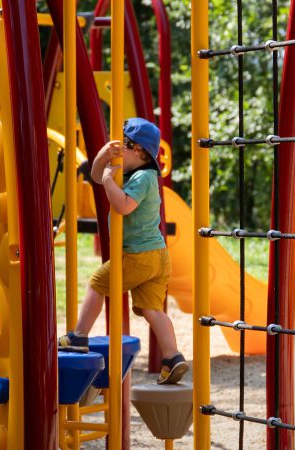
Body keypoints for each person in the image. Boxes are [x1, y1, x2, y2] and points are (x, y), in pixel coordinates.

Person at [58, 117, 188, 385]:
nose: (118, 150)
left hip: (140, 255)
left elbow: (124, 206)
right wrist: (103, 157)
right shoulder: (134, 173)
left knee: (97, 283)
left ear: (139, 151)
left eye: (124, 145)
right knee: (152, 309)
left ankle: (79, 335)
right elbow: (95, 176)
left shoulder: (143, 177)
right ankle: (173, 357)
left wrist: (109, 182)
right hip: (156, 256)